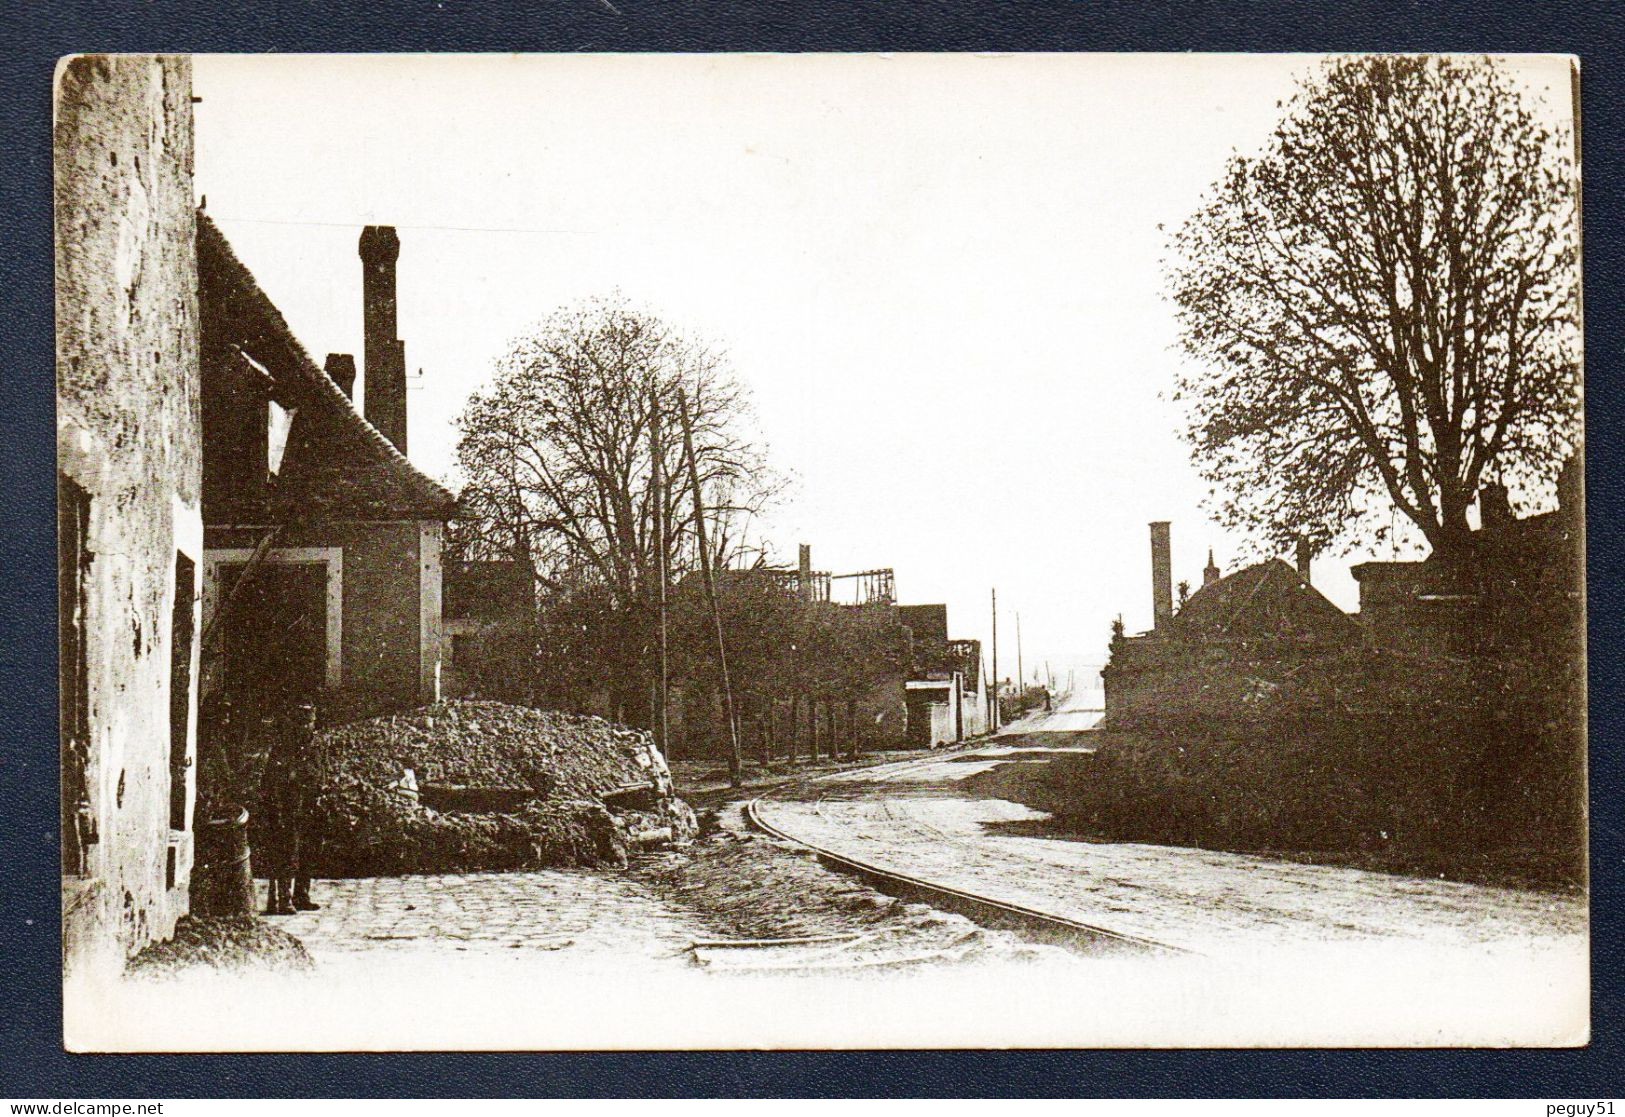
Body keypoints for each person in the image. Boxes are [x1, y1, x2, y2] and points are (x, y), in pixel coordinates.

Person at [258, 703, 322, 915]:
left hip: (309, 806)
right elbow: (273, 780)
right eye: (302, 723)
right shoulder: (283, 749)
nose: (306, 728)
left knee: (308, 851)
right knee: (287, 853)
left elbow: (320, 770)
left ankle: (302, 895)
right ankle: (283, 899)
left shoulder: (314, 745)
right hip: (288, 808)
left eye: (309, 723)